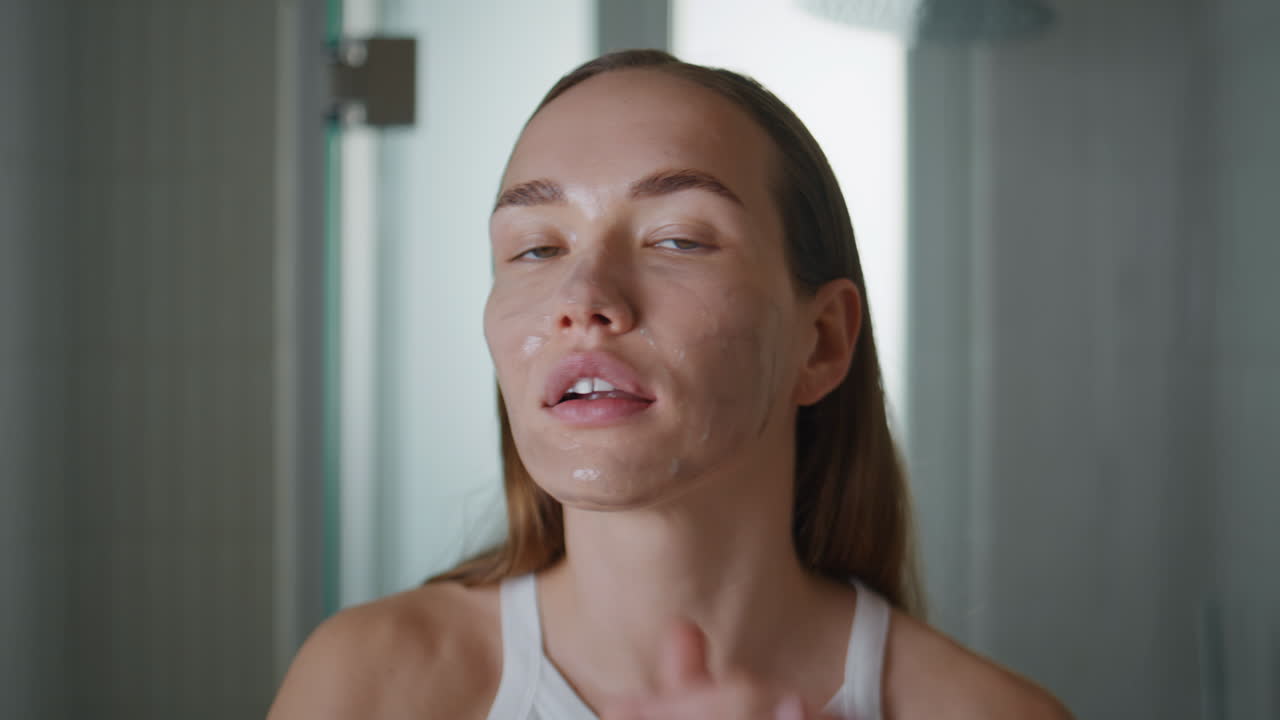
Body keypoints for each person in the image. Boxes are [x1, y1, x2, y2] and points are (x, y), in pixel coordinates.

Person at [267, 50, 1072, 720]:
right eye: (537, 249)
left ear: (821, 343)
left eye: (679, 238)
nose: (582, 300)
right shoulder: (368, 684)